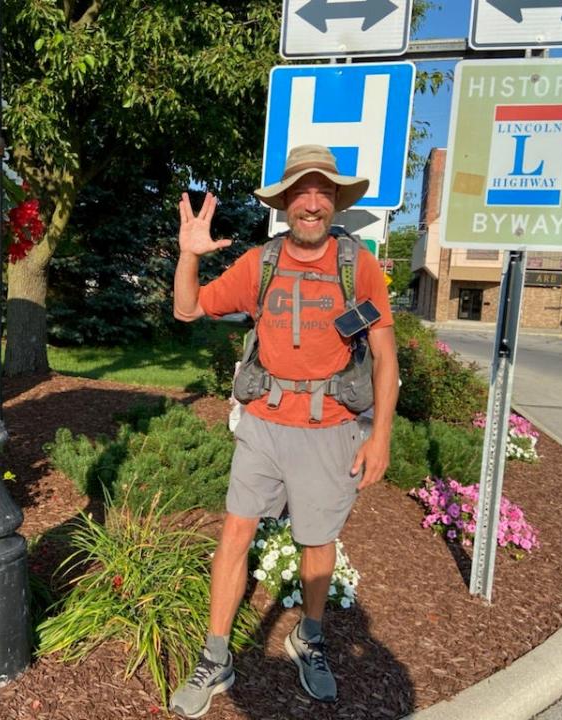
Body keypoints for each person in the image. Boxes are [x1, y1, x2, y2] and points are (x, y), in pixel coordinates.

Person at [169, 144, 399, 718]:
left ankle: (310, 637)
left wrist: (381, 437)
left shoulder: (358, 265)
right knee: (235, 533)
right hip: (264, 426)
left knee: (317, 543)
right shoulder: (260, 263)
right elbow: (187, 309)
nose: (313, 203)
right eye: (302, 192)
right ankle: (216, 655)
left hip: (332, 429)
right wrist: (189, 254)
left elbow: (385, 359)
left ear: (335, 202)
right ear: (287, 203)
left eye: (323, 192)